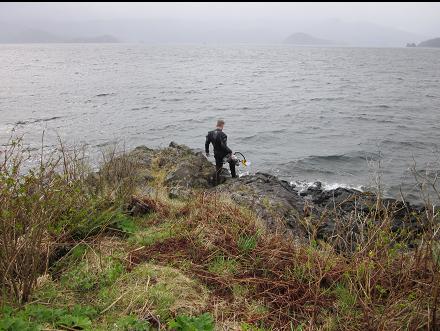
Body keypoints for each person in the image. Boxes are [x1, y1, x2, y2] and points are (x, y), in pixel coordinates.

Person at [205, 119, 237, 185]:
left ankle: (216, 182)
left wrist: (207, 152)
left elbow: (206, 143)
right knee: (232, 161)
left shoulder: (210, 133)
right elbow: (223, 146)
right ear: (222, 125)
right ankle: (234, 177)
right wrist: (230, 152)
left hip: (216, 154)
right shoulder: (223, 135)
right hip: (223, 154)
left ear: (217, 125)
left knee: (218, 168)